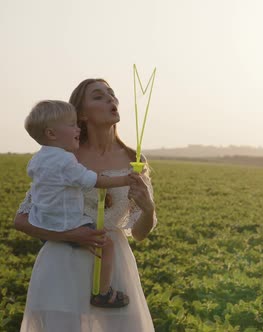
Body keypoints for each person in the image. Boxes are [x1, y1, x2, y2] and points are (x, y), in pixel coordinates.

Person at [14, 78, 157, 331]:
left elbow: (139, 233)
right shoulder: (63, 157)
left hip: (115, 269)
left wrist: (148, 208)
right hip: (63, 265)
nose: (111, 99)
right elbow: (22, 220)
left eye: (112, 94)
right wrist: (73, 235)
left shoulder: (134, 159)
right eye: (99, 96)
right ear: (81, 114)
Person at [24, 99, 133, 308]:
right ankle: (103, 292)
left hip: (46, 222)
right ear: (52, 134)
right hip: (70, 225)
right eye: (72, 124)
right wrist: (125, 180)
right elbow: (95, 181)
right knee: (106, 245)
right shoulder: (66, 160)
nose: (77, 129)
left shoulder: (36, 160)